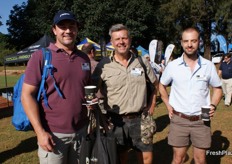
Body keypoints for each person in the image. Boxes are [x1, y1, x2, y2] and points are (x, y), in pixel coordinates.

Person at [21, 10, 92, 164]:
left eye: (71, 26)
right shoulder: (41, 56)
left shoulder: (83, 58)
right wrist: (40, 132)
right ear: (54, 30)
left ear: (77, 29)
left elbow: (83, 90)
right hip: (53, 135)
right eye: (62, 26)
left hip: (81, 132)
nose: (67, 31)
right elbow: (26, 95)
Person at [92, 24, 158, 164]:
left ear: (130, 39)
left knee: (146, 158)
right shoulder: (103, 65)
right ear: (112, 42)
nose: (121, 42)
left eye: (124, 38)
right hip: (115, 121)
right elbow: (92, 92)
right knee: (120, 158)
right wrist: (101, 116)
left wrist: (151, 106)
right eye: (117, 39)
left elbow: (156, 85)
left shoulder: (141, 61)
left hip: (140, 119)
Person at [159, 27, 222, 164]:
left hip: (202, 119)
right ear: (181, 43)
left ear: (199, 42)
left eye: (193, 41)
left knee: (200, 160)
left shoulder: (208, 65)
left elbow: (218, 89)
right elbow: (161, 85)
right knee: (178, 159)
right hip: (179, 119)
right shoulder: (173, 66)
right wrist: (168, 105)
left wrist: (213, 105)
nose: (189, 44)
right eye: (186, 41)